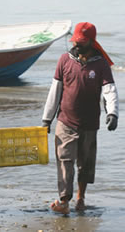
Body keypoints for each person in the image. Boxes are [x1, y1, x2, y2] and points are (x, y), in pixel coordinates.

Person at [42, 22, 119, 214]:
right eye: (75, 41)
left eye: (81, 42)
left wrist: (113, 113)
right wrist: (46, 119)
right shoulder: (64, 60)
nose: (76, 45)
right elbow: (55, 91)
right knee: (65, 160)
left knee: (85, 163)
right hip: (65, 121)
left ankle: (81, 197)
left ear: (92, 42)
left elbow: (109, 90)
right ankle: (64, 200)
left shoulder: (100, 64)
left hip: (90, 123)